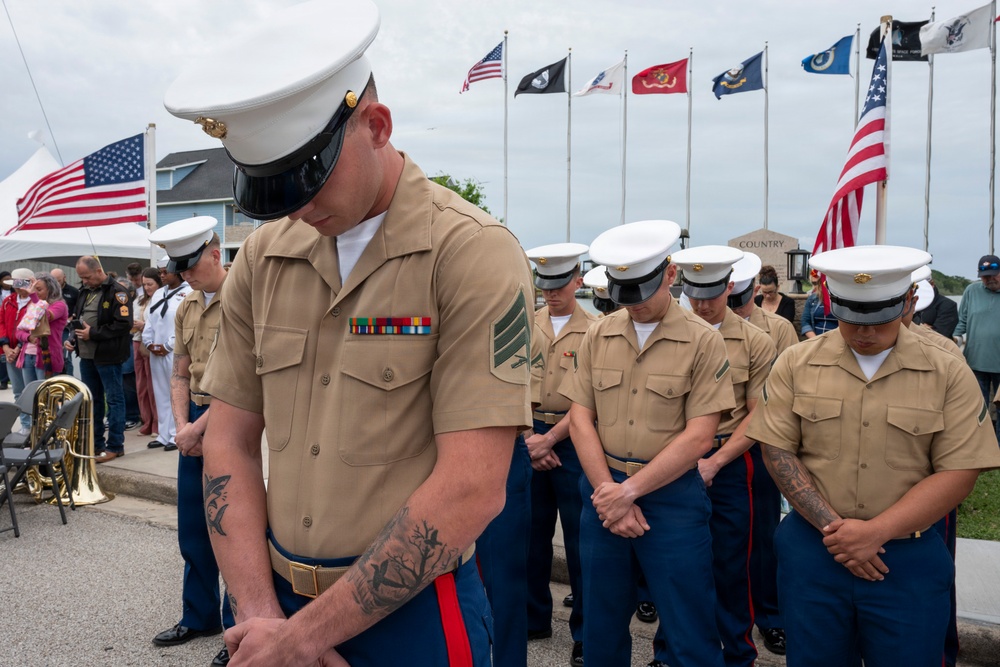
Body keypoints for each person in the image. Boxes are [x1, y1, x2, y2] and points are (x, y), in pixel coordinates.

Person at [164, 2, 534, 664]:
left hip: (412, 614)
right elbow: (229, 440)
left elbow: (472, 486)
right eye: (272, 190)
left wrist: (304, 638)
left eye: (307, 178)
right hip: (269, 603)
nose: (297, 209)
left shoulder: (472, 253)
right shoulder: (265, 258)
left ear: (377, 125)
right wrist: (261, 616)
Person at [746, 245, 1000, 667]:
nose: (864, 332)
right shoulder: (796, 363)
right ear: (833, 304)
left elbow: (960, 469)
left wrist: (875, 533)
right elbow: (778, 448)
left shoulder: (946, 368)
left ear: (907, 302)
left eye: (879, 319)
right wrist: (838, 531)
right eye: (851, 318)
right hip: (815, 552)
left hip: (905, 559)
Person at [560, 219, 732, 667]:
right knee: (600, 623)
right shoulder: (599, 333)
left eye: (643, 290)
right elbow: (580, 417)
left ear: (670, 275)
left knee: (689, 624)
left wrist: (629, 493)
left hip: (670, 495)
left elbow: (699, 434)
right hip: (603, 489)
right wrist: (608, 493)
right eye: (624, 293)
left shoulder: (703, 342)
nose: (633, 305)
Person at [671, 245, 776, 667]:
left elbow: (758, 415)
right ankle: (673, 651)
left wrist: (714, 463)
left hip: (729, 461)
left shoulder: (755, 342)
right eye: (694, 293)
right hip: (674, 460)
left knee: (734, 564)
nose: (701, 304)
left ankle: (736, 653)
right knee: (676, 564)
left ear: (729, 287)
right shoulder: (670, 333)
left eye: (712, 294)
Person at [148, 217, 234, 667]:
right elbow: (180, 371)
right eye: (178, 268)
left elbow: (251, 379)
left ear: (215, 254)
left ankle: (237, 627)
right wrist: (183, 426)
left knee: (235, 527)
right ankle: (199, 614)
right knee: (193, 526)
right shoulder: (187, 305)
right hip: (195, 419)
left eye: (192, 265)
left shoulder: (246, 297)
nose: (184, 275)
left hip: (237, 417)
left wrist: (201, 428)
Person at [522, 243, 595, 667]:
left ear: (578, 280)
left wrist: (551, 442)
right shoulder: (526, 324)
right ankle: (534, 618)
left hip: (574, 437)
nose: (550, 293)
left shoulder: (597, 329)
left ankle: (585, 632)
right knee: (529, 539)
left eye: (559, 284)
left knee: (582, 543)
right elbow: (509, 383)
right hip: (528, 433)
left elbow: (591, 399)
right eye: (544, 285)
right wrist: (532, 439)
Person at [725, 252, 796, 657]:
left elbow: (779, 395)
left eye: (738, 298)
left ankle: (770, 617)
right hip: (714, 446)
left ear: (753, 290)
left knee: (762, 540)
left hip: (763, 444)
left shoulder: (777, 330)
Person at [66, 256, 132, 463]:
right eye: (81, 278)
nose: (84, 281)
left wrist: (92, 334)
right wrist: (73, 340)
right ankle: (95, 445)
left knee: (114, 400)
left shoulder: (118, 291)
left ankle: (115, 446)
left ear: (98, 271)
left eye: (86, 277)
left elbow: (123, 325)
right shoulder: (85, 291)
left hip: (108, 356)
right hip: (86, 356)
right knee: (92, 401)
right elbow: (79, 319)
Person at [142, 261, 189, 451]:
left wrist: (168, 345)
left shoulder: (188, 293)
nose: (161, 275)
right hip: (156, 350)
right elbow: (150, 320)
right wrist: (149, 342)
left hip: (174, 350)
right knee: (160, 392)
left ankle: (176, 434)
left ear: (177, 273)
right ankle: (163, 434)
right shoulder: (160, 293)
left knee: (175, 392)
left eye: (165, 272)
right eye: (160, 272)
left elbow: (185, 323)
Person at [953, 254, 1000, 441]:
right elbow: (962, 321)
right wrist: (955, 338)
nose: (989, 279)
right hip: (975, 362)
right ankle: (978, 445)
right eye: (985, 276)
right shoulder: (971, 291)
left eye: (993, 275)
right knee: (976, 407)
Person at [1, 268, 37, 431]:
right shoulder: (8, 300)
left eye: (19, 283)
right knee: (18, 391)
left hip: (26, 350)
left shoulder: (34, 302)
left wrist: (17, 348)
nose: (15, 287)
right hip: (9, 351)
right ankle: (25, 425)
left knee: (31, 390)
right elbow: (1, 323)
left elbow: (33, 327)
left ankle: (36, 425)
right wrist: (6, 347)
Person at [17, 272, 69, 382]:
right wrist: (29, 337)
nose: (35, 293)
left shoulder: (59, 305)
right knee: (30, 395)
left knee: (45, 396)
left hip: (47, 356)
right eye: (33, 289)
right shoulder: (32, 305)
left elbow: (43, 316)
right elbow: (19, 331)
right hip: (28, 355)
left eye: (39, 289)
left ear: (50, 289)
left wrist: (33, 297)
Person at [134, 267, 163, 437]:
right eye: (144, 284)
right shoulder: (139, 300)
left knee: (154, 385)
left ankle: (158, 423)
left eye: (150, 284)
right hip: (137, 341)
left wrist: (143, 325)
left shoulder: (161, 299)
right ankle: (147, 420)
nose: (147, 288)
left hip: (152, 343)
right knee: (141, 385)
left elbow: (161, 324)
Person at [51, 268, 79, 377]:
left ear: (64, 278)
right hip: (53, 328)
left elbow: (78, 310)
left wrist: (70, 319)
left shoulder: (73, 292)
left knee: (66, 357)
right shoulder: (49, 291)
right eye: (54, 280)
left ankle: (69, 381)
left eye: (58, 280)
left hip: (67, 328)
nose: (56, 283)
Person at [800, 269, 839, 339]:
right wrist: (815, 340)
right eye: (814, 283)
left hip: (837, 340)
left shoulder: (841, 299)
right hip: (816, 340)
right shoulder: (812, 299)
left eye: (817, 283)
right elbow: (805, 322)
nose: (815, 286)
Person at [0, 270, 11, 390]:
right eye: (5, 280)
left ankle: (4, 380)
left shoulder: (15, 294)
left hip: (9, 325)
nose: (8, 283)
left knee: (4, 355)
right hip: (1, 323)